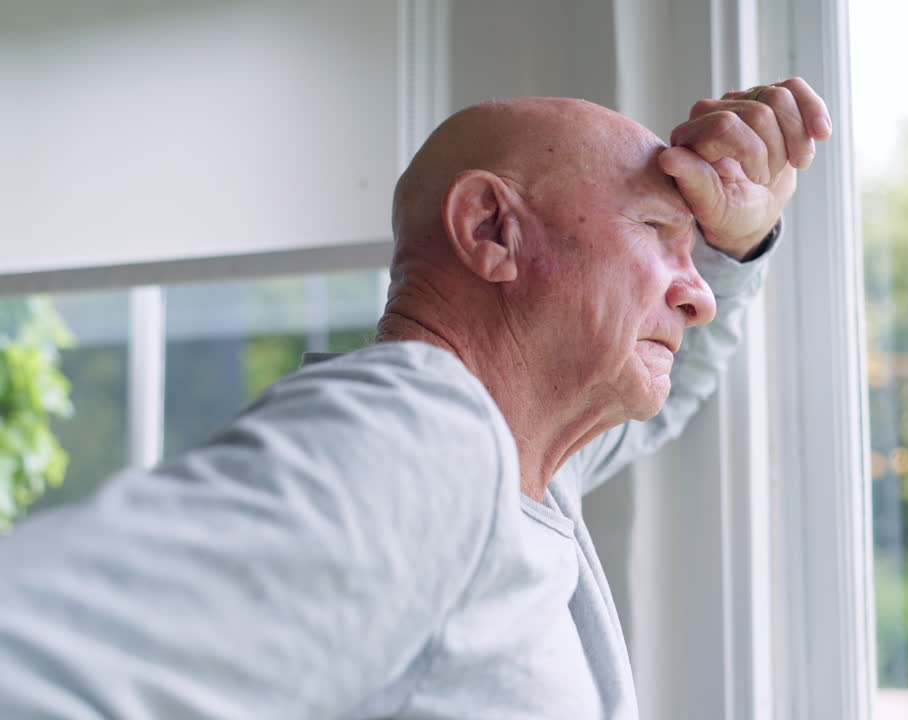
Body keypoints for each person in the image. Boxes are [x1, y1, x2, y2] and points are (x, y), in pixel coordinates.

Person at [0, 79, 830, 719]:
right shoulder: (423, 437)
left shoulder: (523, 461)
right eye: (657, 234)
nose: (699, 296)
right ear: (492, 232)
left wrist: (740, 238)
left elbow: (679, 387)